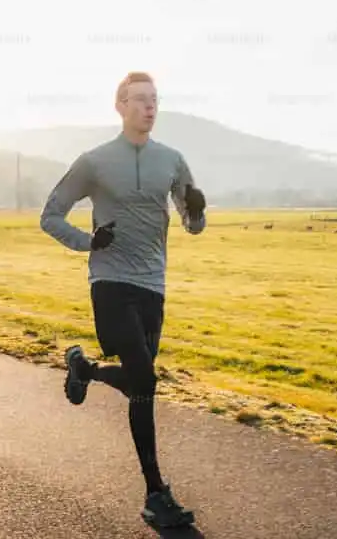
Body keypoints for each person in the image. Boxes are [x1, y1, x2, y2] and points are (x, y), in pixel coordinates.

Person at [39, 71, 206, 528]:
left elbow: (192, 225)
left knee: (139, 383)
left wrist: (197, 211)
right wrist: (88, 242)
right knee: (145, 377)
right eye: (140, 100)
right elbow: (50, 216)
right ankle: (155, 494)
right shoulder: (94, 161)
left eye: (154, 100)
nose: (149, 107)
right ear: (120, 106)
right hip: (110, 281)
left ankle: (85, 369)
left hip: (153, 284)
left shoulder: (172, 160)